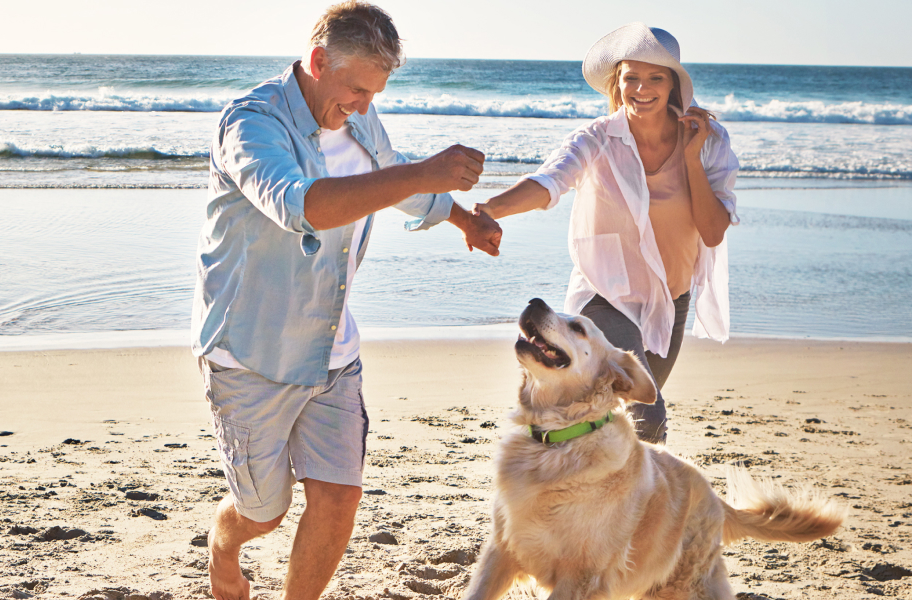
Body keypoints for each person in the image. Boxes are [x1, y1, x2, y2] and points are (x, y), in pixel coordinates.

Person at [191, 3, 503, 599]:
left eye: (374, 92)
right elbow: (302, 207)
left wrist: (461, 217)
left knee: (339, 499)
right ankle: (223, 546)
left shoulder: (359, 114)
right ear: (316, 62)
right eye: (357, 88)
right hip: (251, 353)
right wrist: (422, 173)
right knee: (263, 514)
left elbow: (385, 177)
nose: (363, 104)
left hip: (333, 348)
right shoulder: (251, 124)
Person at [476, 22, 741, 444]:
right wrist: (489, 210)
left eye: (656, 77)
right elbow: (549, 182)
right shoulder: (596, 139)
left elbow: (712, 233)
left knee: (626, 423)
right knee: (646, 419)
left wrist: (691, 158)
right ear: (616, 83)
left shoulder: (709, 143)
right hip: (605, 297)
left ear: (673, 84)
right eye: (631, 77)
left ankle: (602, 498)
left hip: (671, 300)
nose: (642, 88)